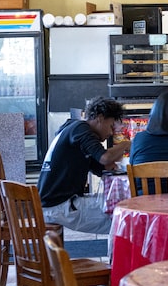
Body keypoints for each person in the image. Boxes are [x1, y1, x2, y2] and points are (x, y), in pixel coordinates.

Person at [37, 96, 130, 234]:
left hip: (51, 204)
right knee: (122, 217)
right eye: (110, 126)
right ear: (100, 117)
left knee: (118, 212)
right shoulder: (80, 128)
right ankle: (119, 256)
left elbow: (103, 167)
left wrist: (115, 162)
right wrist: (126, 145)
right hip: (59, 206)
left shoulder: (71, 128)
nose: (111, 133)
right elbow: (105, 157)